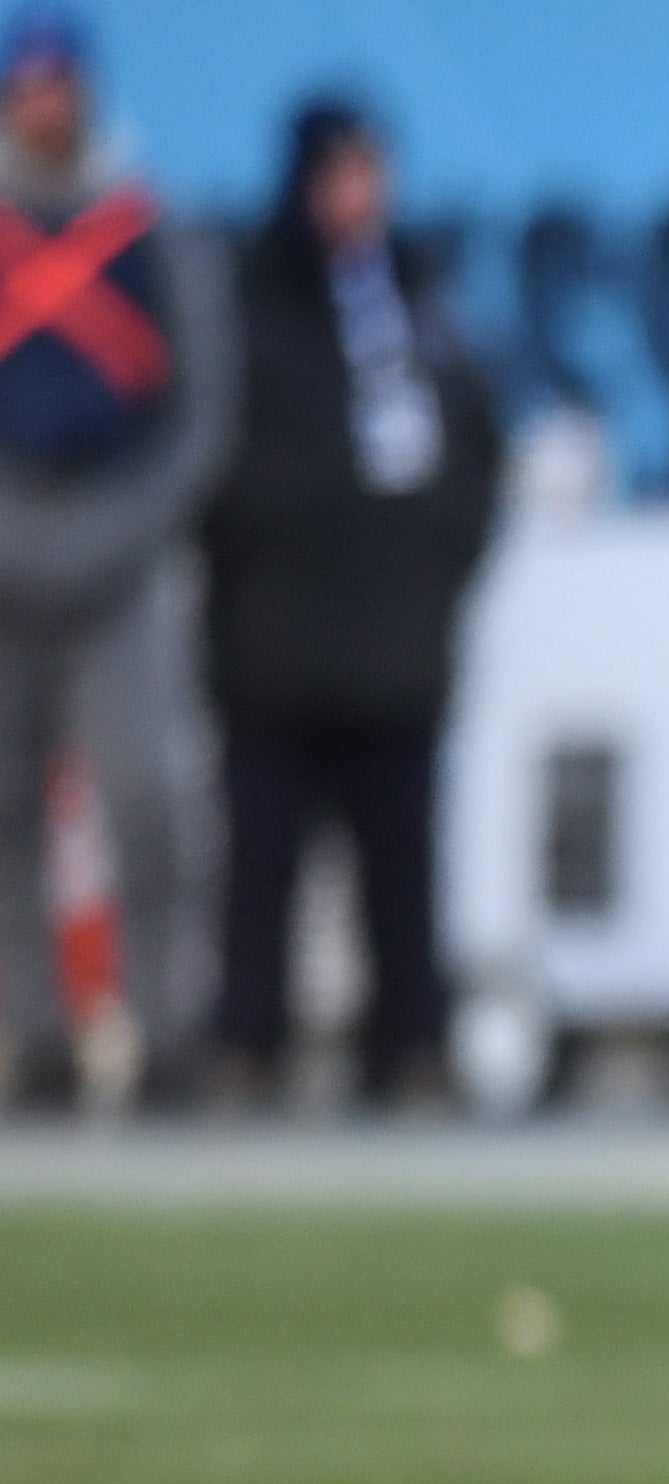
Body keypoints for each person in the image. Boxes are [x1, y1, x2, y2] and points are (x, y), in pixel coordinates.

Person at [201, 97, 500, 1111]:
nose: (357, 197)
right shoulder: (251, 299)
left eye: (372, 173)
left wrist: (437, 563)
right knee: (263, 865)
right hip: (276, 638)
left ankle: (410, 1045)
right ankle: (249, 1047)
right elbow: (216, 462)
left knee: (403, 867)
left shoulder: (419, 297)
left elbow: (476, 450)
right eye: (338, 175)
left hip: (396, 641)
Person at [0, 5, 231, 1113]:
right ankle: (32, 1032)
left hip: (119, 553)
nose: (46, 104)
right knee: (6, 806)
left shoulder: (146, 227)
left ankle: (164, 1024)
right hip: (2, 555)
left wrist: (122, 527)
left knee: (147, 798)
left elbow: (201, 412)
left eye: (61, 83)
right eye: (27, 85)